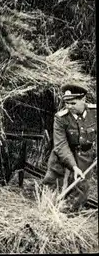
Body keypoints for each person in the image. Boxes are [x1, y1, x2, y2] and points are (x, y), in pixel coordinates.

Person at [42, 83, 97, 211]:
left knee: (81, 187)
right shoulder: (60, 118)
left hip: (84, 155)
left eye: (73, 103)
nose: (69, 106)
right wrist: (73, 166)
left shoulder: (94, 112)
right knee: (52, 180)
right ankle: (46, 208)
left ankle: (69, 212)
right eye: (67, 103)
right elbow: (61, 145)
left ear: (83, 100)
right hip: (62, 154)